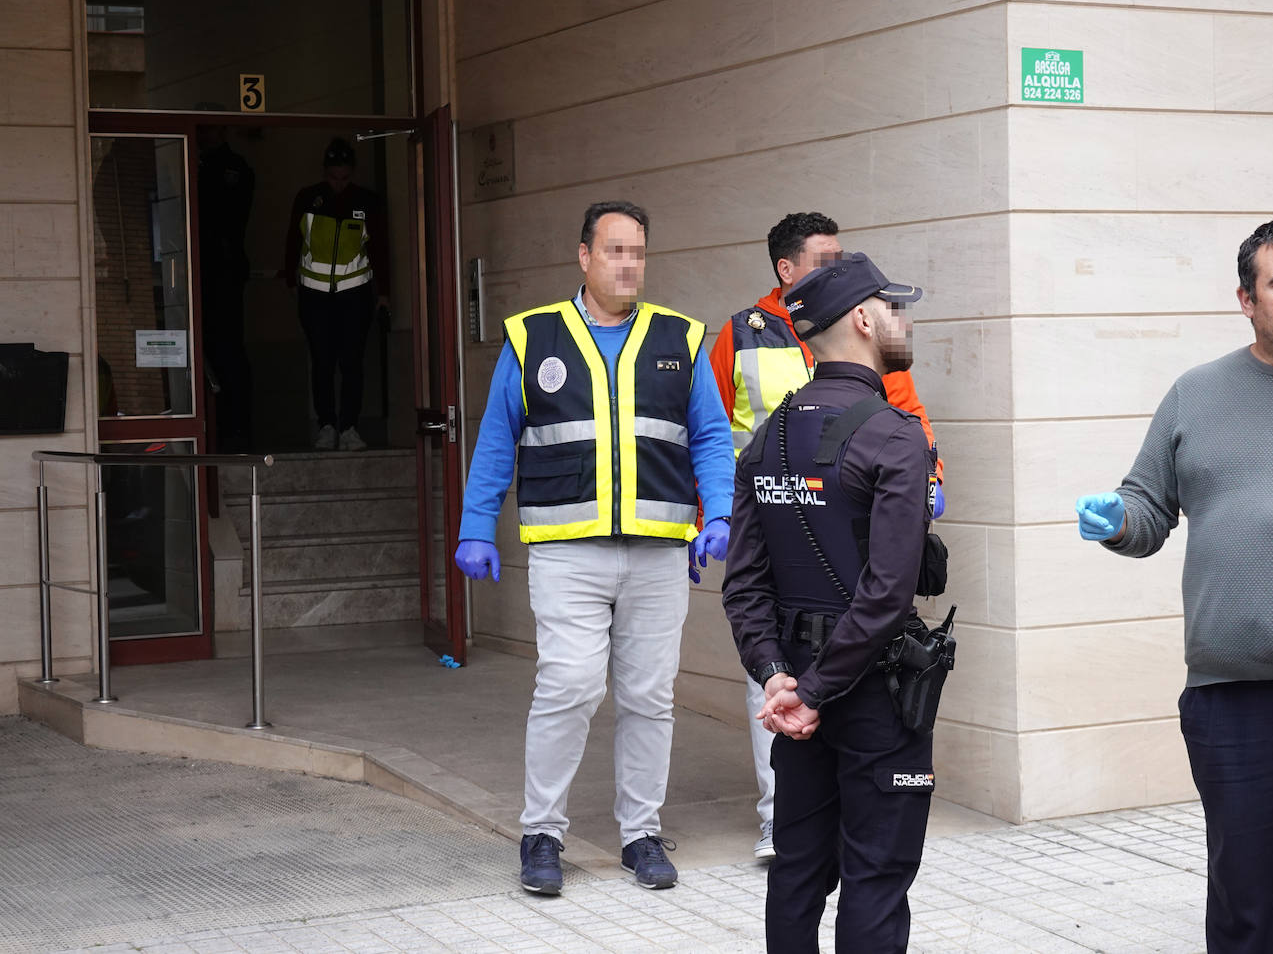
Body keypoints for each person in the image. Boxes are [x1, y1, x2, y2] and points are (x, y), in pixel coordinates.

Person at [1075, 218, 1273, 954]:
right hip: (1231, 692)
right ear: (1246, 298)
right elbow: (1147, 510)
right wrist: (1116, 521)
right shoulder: (1195, 394)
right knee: (1239, 897)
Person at [454, 201, 736, 895]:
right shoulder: (532, 338)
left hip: (658, 552)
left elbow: (710, 436)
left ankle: (641, 834)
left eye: (638, 251)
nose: (629, 263)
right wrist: (473, 524)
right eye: (614, 251)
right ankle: (542, 834)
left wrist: (722, 512)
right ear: (583, 256)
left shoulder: (682, 338)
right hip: (567, 549)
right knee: (570, 685)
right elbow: (497, 439)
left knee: (648, 695)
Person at [707, 211, 945, 860]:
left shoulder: (770, 439)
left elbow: (742, 587)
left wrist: (778, 676)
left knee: (798, 866)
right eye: (893, 308)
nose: (906, 319)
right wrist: (799, 689)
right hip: (860, 674)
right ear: (863, 321)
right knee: (875, 869)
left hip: (793, 661)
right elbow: (887, 593)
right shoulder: (741, 339)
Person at [282, 137, 389, 452]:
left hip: (355, 296)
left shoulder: (367, 201)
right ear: (324, 172)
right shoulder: (309, 198)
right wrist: (291, 280)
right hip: (315, 296)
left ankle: (350, 427)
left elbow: (380, 249)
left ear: (352, 173)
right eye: (333, 177)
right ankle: (327, 426)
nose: (338, 185)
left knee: (352, 363)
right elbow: (292, 240)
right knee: (322, 363)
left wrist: (384, 293)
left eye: (344, 178)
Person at [196, 118, 255, 450]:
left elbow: (227, 218)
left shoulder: (234, 168)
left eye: (209, 129)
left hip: (223, 272)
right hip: (200, 271)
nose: (204, 135)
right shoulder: (192, 160)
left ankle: (235, 429)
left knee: (227, 350)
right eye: (201, 130)